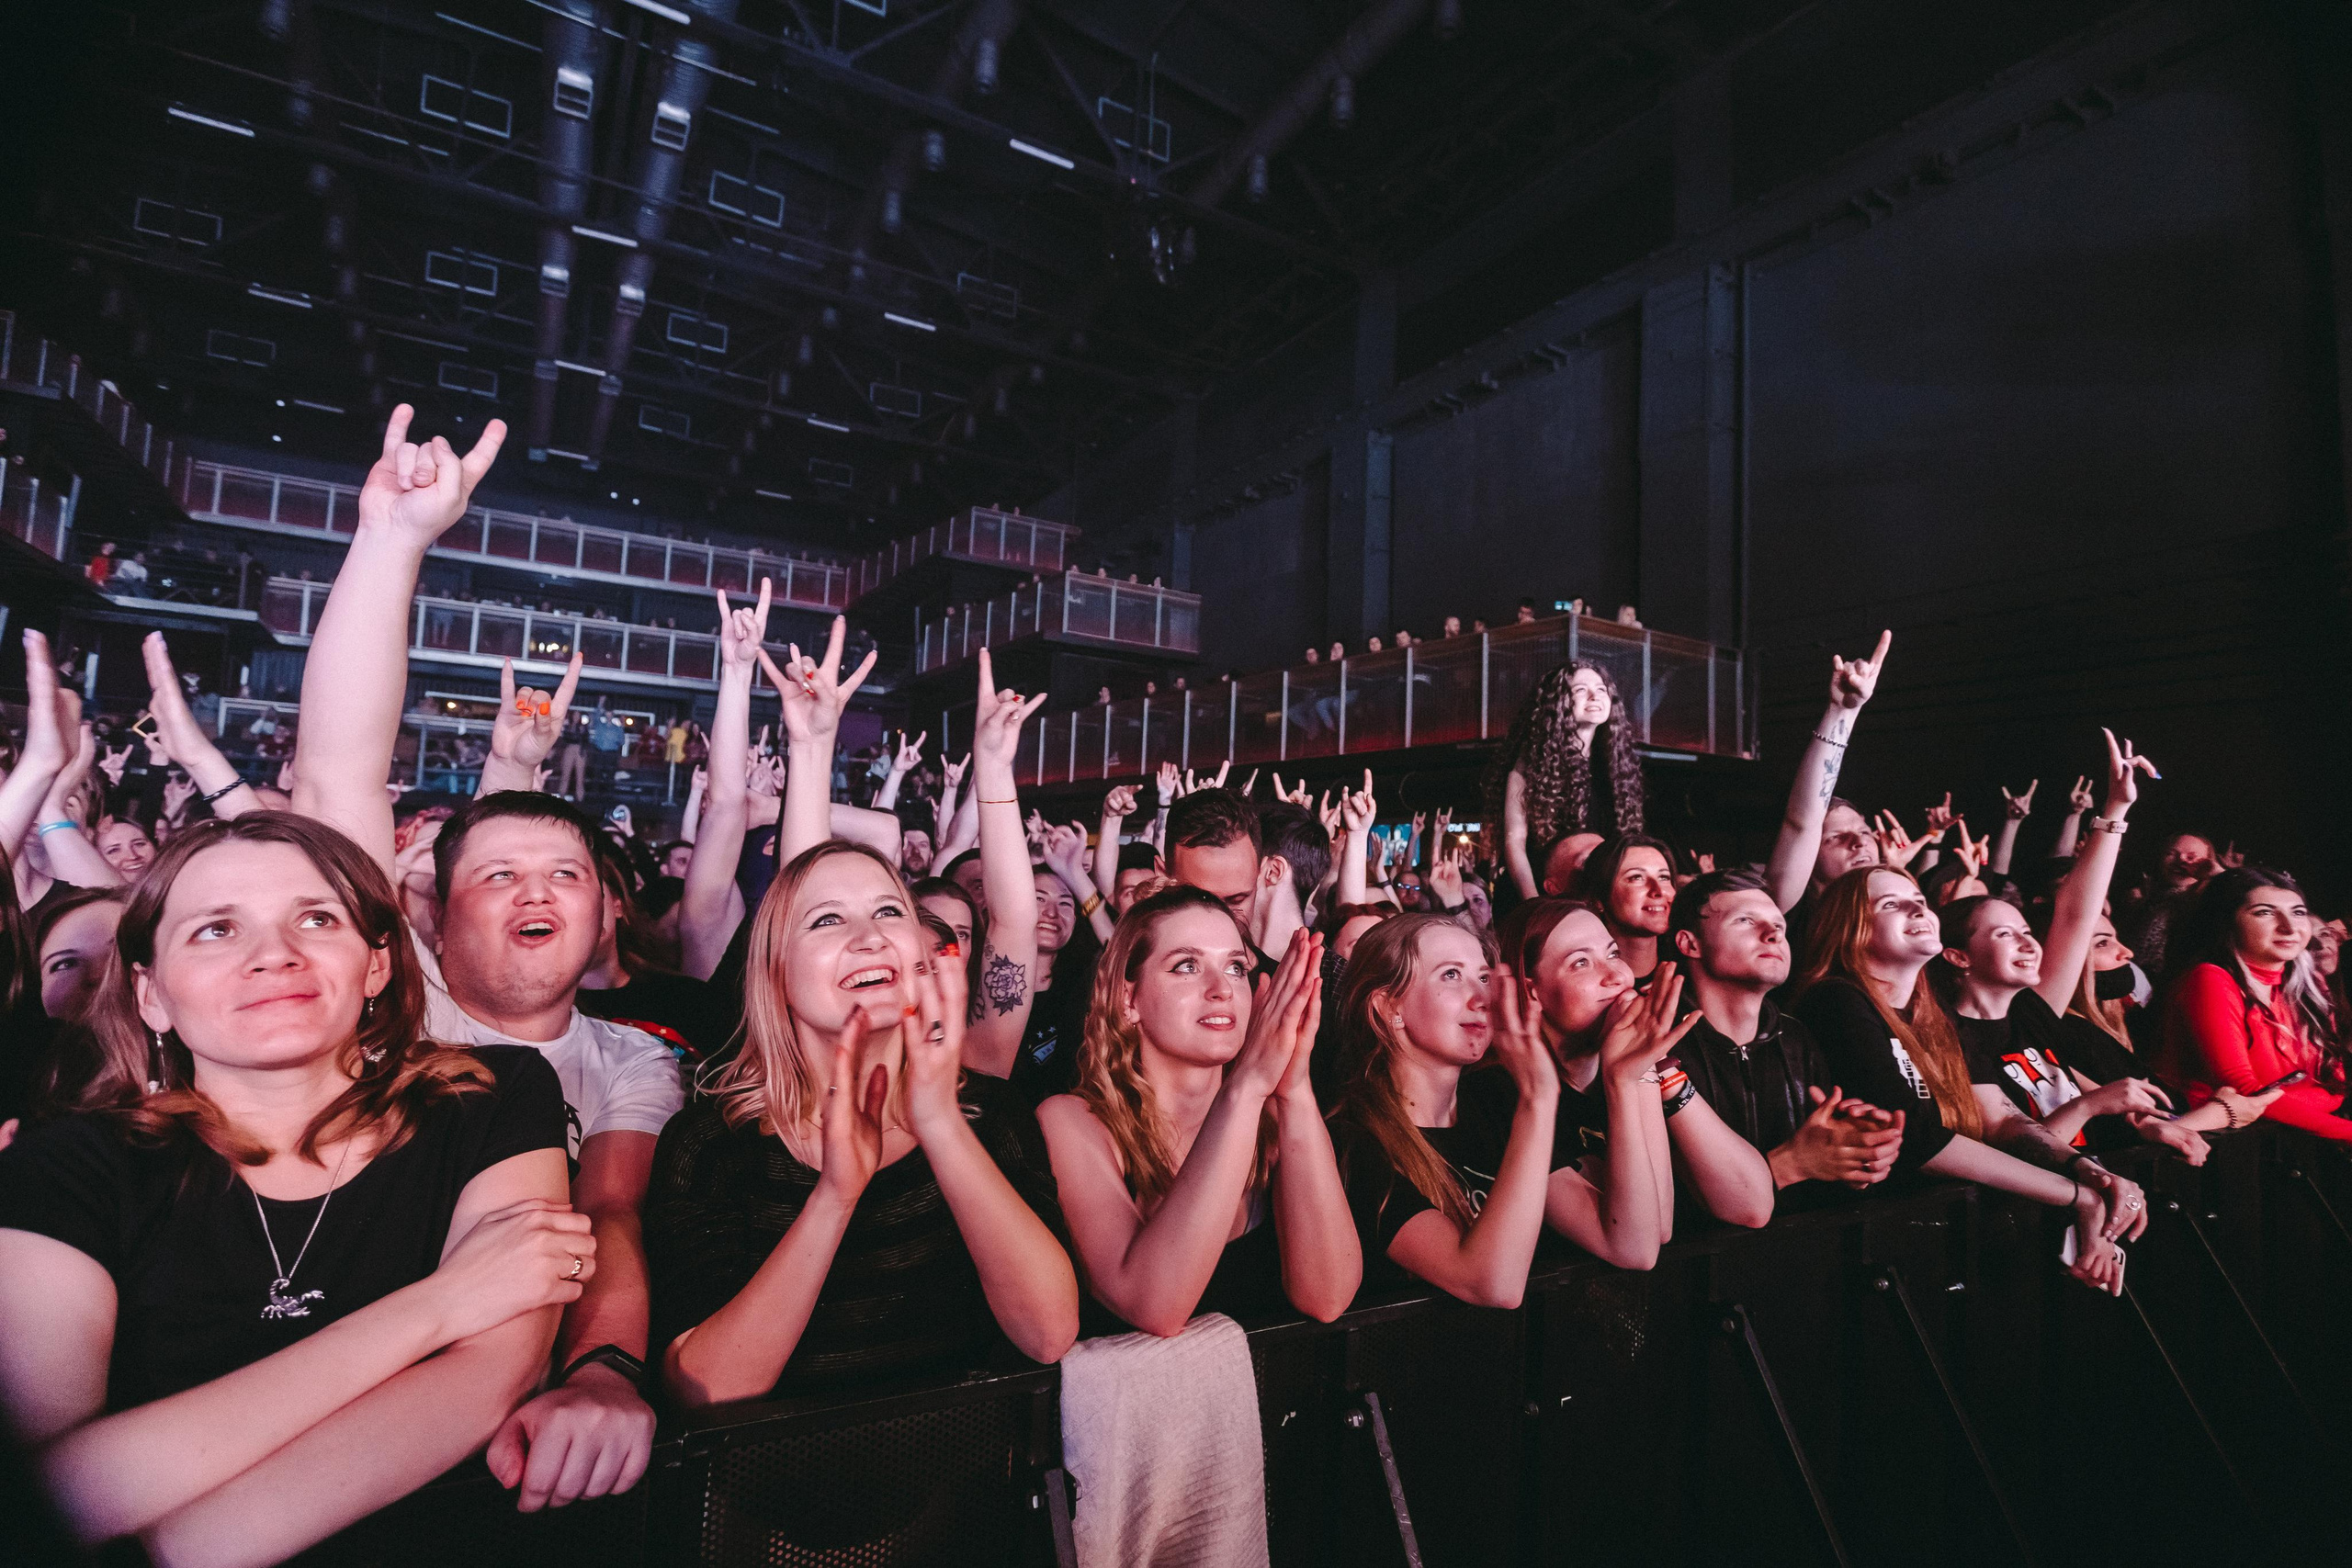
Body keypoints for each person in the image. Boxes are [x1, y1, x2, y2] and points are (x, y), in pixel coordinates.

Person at [0, 813, 594, 1564]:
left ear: (377, 964)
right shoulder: (65, 1168)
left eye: (315, 918)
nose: (274, 955)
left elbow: (488, 1379)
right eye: (216, 930)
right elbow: (56, 1491)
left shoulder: (492, 1098)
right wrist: (439, 1303)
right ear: (150, 994)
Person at [285, 405, 664, 1511]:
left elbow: (609, 1219)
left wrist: (604, 1367)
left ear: (605, 921)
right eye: (496, 877)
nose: (537, 891)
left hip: (531, 1448)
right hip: (335, 1414)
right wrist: (393, 543)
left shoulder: (637, 1060)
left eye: (566, 877)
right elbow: (333, 785)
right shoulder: (390, 1007)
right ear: (427, 924)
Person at [644, 839, 1078, 1404]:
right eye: (827, 919)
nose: (870, 937)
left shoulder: (991, 1117)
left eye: (889, 912)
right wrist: (835, 1197)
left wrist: (941, 1124)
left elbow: (1048, 1336)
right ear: (775, 970)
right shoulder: (710, 1145)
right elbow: (708, 1389)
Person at [1791, 867, 2145, 1292]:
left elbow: (2000, 1119)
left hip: (1940, 1239)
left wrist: (2091, 1174)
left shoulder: (1933, 1016)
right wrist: (2075, 1194)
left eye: (1919, 900)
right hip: (1866, 1251)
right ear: (1851, 930)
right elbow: (1913, 1136)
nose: (1916, 907)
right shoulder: (1837, 1000)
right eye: (1891, 904)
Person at [1037, 897, 1356, 1334]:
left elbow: (1328, 1297)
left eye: (1236, 968)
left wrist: (1294, 1086)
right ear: (1128, 998)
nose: (1221, 988)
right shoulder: (1073, 1122)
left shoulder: (1276, 1118)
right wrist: (1246, 1087)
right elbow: (1156, 1307)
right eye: (1187, 965)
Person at [1935, 730, 2224, 1163]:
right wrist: (2091, 1103)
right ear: (1959, 956)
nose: (2027, 942)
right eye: (2002, 933)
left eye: (2025, 931)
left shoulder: (2031, 1012)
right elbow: (2012, 1151)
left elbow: (2075, 915)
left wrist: (2117, 808)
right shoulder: (1950, 1036)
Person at [1501, 898, 1762, 1235]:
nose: (1616, 975)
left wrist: (1652, 1068)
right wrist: (1631, 1075)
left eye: (1613, 954)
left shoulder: (1652, 1057)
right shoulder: (1512, 1095)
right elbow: (1651, 1233)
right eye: (1581, 963)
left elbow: (1752, 1206)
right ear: (1531, 992)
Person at [1665, 869, 1905, 1199]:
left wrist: (1853, 1154)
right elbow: (1662, 1199)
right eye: (1745, 921)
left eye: (1779, 926)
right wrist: (1792, 1163)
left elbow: (1821, 1163)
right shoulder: (1659, 1043)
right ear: (1690, 944)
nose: (1773, 935)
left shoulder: (1796, 1037)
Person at [2157, 867, 2349, 1142]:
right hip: (2215, 1147)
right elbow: (2244, 1091)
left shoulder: (2311, 982)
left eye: (2298, 912)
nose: (2289, 926)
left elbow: (2334, 1086)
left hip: (2287, 1140)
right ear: (2227, 922)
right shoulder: (2210, 978)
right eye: (2264, 912)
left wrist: (2275, 1104)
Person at [1761, 633, 1894, 946]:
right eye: (1835, 837)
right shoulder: (1792, 914)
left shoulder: (1893, 918)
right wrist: (1843, 713)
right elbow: (1801, 822)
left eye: (1864, 832)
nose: (1858, 843)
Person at [1488, 663, 1645, 902]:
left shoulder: (1615, 765)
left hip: (1589, 896)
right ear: (1559, 702)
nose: (1595, 696)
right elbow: (1515, 842)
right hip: (1536, 892)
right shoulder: (1532, 762)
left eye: (1601, 690)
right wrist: (1534, 904)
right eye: (1581, 690)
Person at [1570, 835, 1676, 981]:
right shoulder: (1586, 983)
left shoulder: (1690, 973)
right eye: (1636, 878)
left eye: (1664, 877)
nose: (1658, 891)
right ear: (1598, 899)